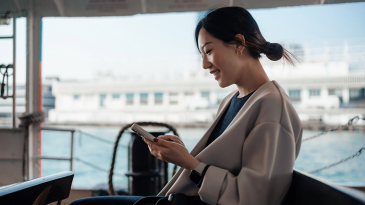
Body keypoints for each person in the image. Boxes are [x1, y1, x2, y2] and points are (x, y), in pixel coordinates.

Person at [70, 6, 302, 205]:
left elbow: (254, 199)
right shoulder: (233, 100)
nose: (204, 64)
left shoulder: (271, 106)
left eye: (208, 51)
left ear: (239, 43)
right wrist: (182, 154)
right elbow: (225, 167)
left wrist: (188, 161)